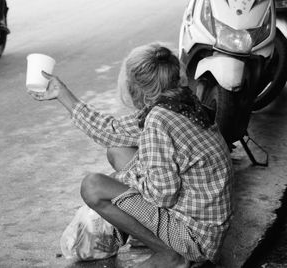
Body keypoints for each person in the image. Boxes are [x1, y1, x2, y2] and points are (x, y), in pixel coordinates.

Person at [28, 43, 233, 267]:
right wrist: (63, 94)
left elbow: (163, 195)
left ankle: (171, 255)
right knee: (117, 151)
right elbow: (112, 131)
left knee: (93, 187)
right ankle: (156, 240)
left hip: (195, 239)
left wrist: (124, 180)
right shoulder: (181, 101)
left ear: (138, 90)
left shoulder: (158, 119)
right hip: (207, 227)